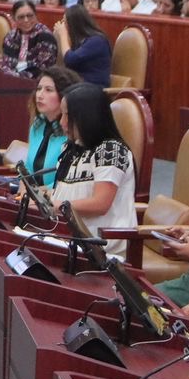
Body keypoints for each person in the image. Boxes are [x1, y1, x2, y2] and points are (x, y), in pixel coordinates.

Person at [50, 83, 137, 257]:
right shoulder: (71, 148)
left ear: (87, 117)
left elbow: (100, 204)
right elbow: (67, 189)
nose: (62, 122)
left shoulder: (110, 150)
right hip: (69, 238)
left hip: (101, 248)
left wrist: (56, 206)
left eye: (68, 116)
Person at [23, 67, 80, 187]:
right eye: (39, 89)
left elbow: (71, 178)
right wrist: (24, 184)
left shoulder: (72, 130)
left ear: (64, 95)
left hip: (58, 195)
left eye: (48, 90)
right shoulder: (38, 124)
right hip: (34, 194)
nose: (39, 95)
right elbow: (28, 168)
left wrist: (43, 191)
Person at [0, 0, 59, 78]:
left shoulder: (46, 36)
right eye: (21, 17)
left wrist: (16, 77)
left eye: (30, 16)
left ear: (36, 15)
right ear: (14, 18)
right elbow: (5, 62)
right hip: (11, 78)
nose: (26, 20)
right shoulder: (11, 36)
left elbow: (43, 68)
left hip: (37, 80)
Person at [60, 6, 112, 86]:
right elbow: (64, 65)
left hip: (94, 86)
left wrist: (62, 35)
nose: (63, 26)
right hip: (77, 84)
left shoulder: (97, 40)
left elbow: (70, 59)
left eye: (65, 22)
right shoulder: (78, 41)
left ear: (74, 24)